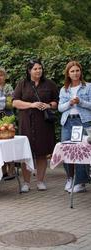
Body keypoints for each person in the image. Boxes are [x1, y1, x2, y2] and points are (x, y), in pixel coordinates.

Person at [13, 59, 59, 192]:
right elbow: (15, 102)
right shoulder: (22, 84)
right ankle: (26, 183)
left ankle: (40, 181)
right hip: (26, 121)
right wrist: (31, 105)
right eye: (35, 69)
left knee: (42, 152)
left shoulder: (49, 84)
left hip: (43, 123)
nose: (38, 71)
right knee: (26, 153)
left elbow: (56, 101)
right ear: (29, 71)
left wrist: (49, 105)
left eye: (40, 68)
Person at [58, 61, 91, 193]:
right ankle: (70, 178)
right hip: (67, 123)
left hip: (83, 122)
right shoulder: (64, 89)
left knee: (81, 152)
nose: (75, 73)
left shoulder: (88, 86)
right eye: (72, 71)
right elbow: (60, 108)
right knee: (66, 151)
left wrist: (80, 102)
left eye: (77, 70)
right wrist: (70, 103)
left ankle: (80, 182)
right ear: (68, 73)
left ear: (80, 72)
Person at [0, 67, 15, 180]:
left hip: (7, 118)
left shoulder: (8, 88)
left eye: (1, 75)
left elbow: (10, 103)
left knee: (8, 144)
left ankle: (11, 170)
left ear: (5, 77)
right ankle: (3, 170)